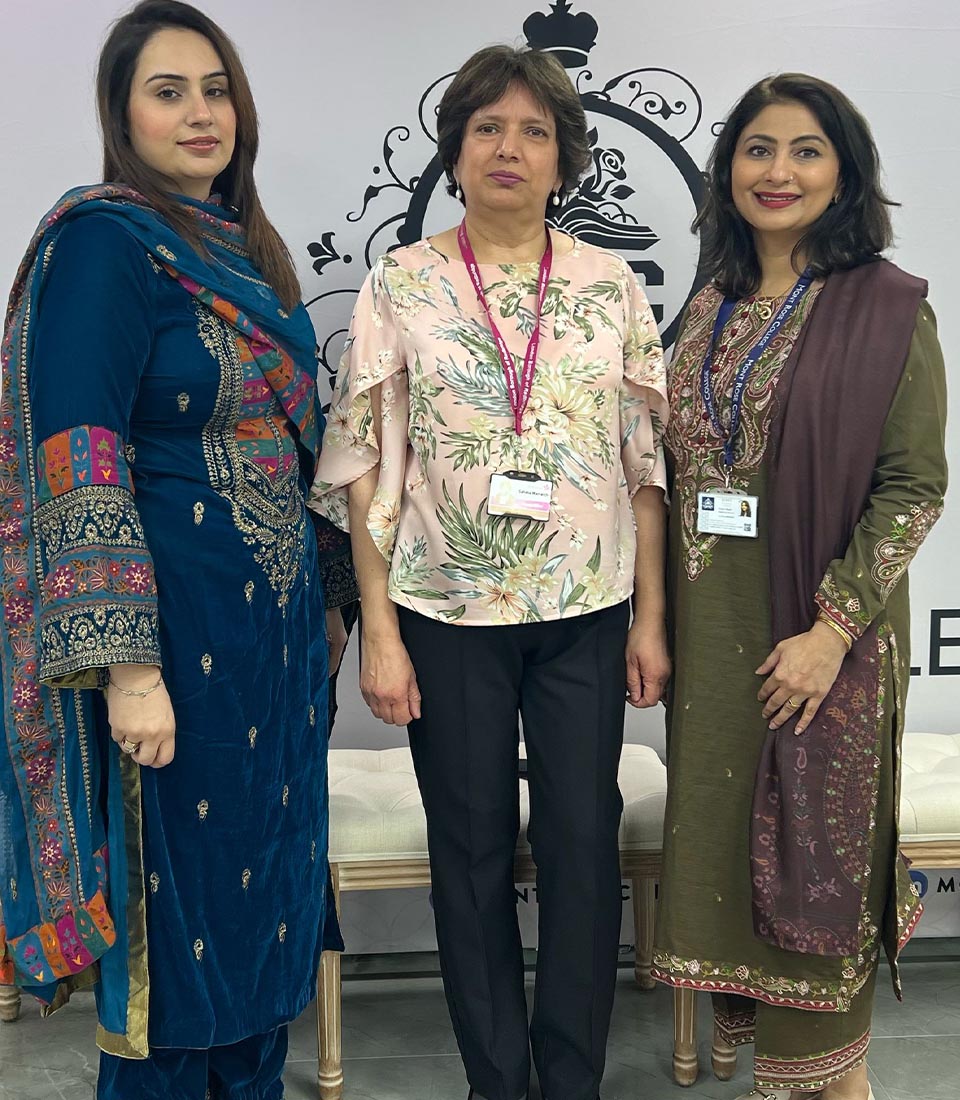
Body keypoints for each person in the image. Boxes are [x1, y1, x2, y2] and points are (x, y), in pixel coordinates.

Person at [0, 2, 355, 1096]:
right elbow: (79, 451)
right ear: (121, 113)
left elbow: (298, 461)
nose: (201, 112)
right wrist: (130, 668)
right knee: (178, 949)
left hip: (275, 655)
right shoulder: (106, 244)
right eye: (168, 90)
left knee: (261, 929)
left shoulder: (244, 250)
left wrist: (334, 605)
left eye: (216, 88)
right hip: (174, 653)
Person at [311, 43, 670, 1100]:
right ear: (455, 152)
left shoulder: (611, 287)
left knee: (579, 842)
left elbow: (646, 469)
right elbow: (367, 465)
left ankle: (572, 1078)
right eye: (488, 129)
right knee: (466, 855)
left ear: (565, 161)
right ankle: (495, 1081)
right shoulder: (402, 284)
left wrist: (652, 618)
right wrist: (378, 626)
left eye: (535, 131)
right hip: (443, 611)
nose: (509, 148)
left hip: (587, 608)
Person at [652, 73, 947, 1100]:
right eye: (759, 148)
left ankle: (844, 1086)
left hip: (821, 651)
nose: (779, 171)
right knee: (739, 880)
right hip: (715, 643)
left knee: (817, 876)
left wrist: (830, 631)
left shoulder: (886, 309)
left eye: (807, 149)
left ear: (846, 171)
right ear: (727, 168)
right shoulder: (705, 306)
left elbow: (915, 487)